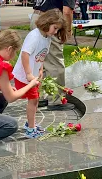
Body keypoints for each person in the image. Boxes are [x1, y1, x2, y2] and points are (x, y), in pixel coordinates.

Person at [13, 9, 68, 138]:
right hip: (25, 75)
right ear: (47, 22)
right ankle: (30, 129)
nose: (55, 32)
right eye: (55, 28)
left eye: (57, 30)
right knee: (33, 101)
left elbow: (42, 55)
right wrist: (28, 73)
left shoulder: (47, 38)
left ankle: (30, 123)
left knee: (35, 100)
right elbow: (25, 54)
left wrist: (40, 69)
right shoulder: (34, 36)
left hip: (34, 75)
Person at [30, 0, 75, 110]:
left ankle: (40, 96)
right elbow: (67, 11)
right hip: (50, 21)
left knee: (41, 61)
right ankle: (56, 100)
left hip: (37, 17)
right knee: (55, 62)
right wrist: (68, 30)